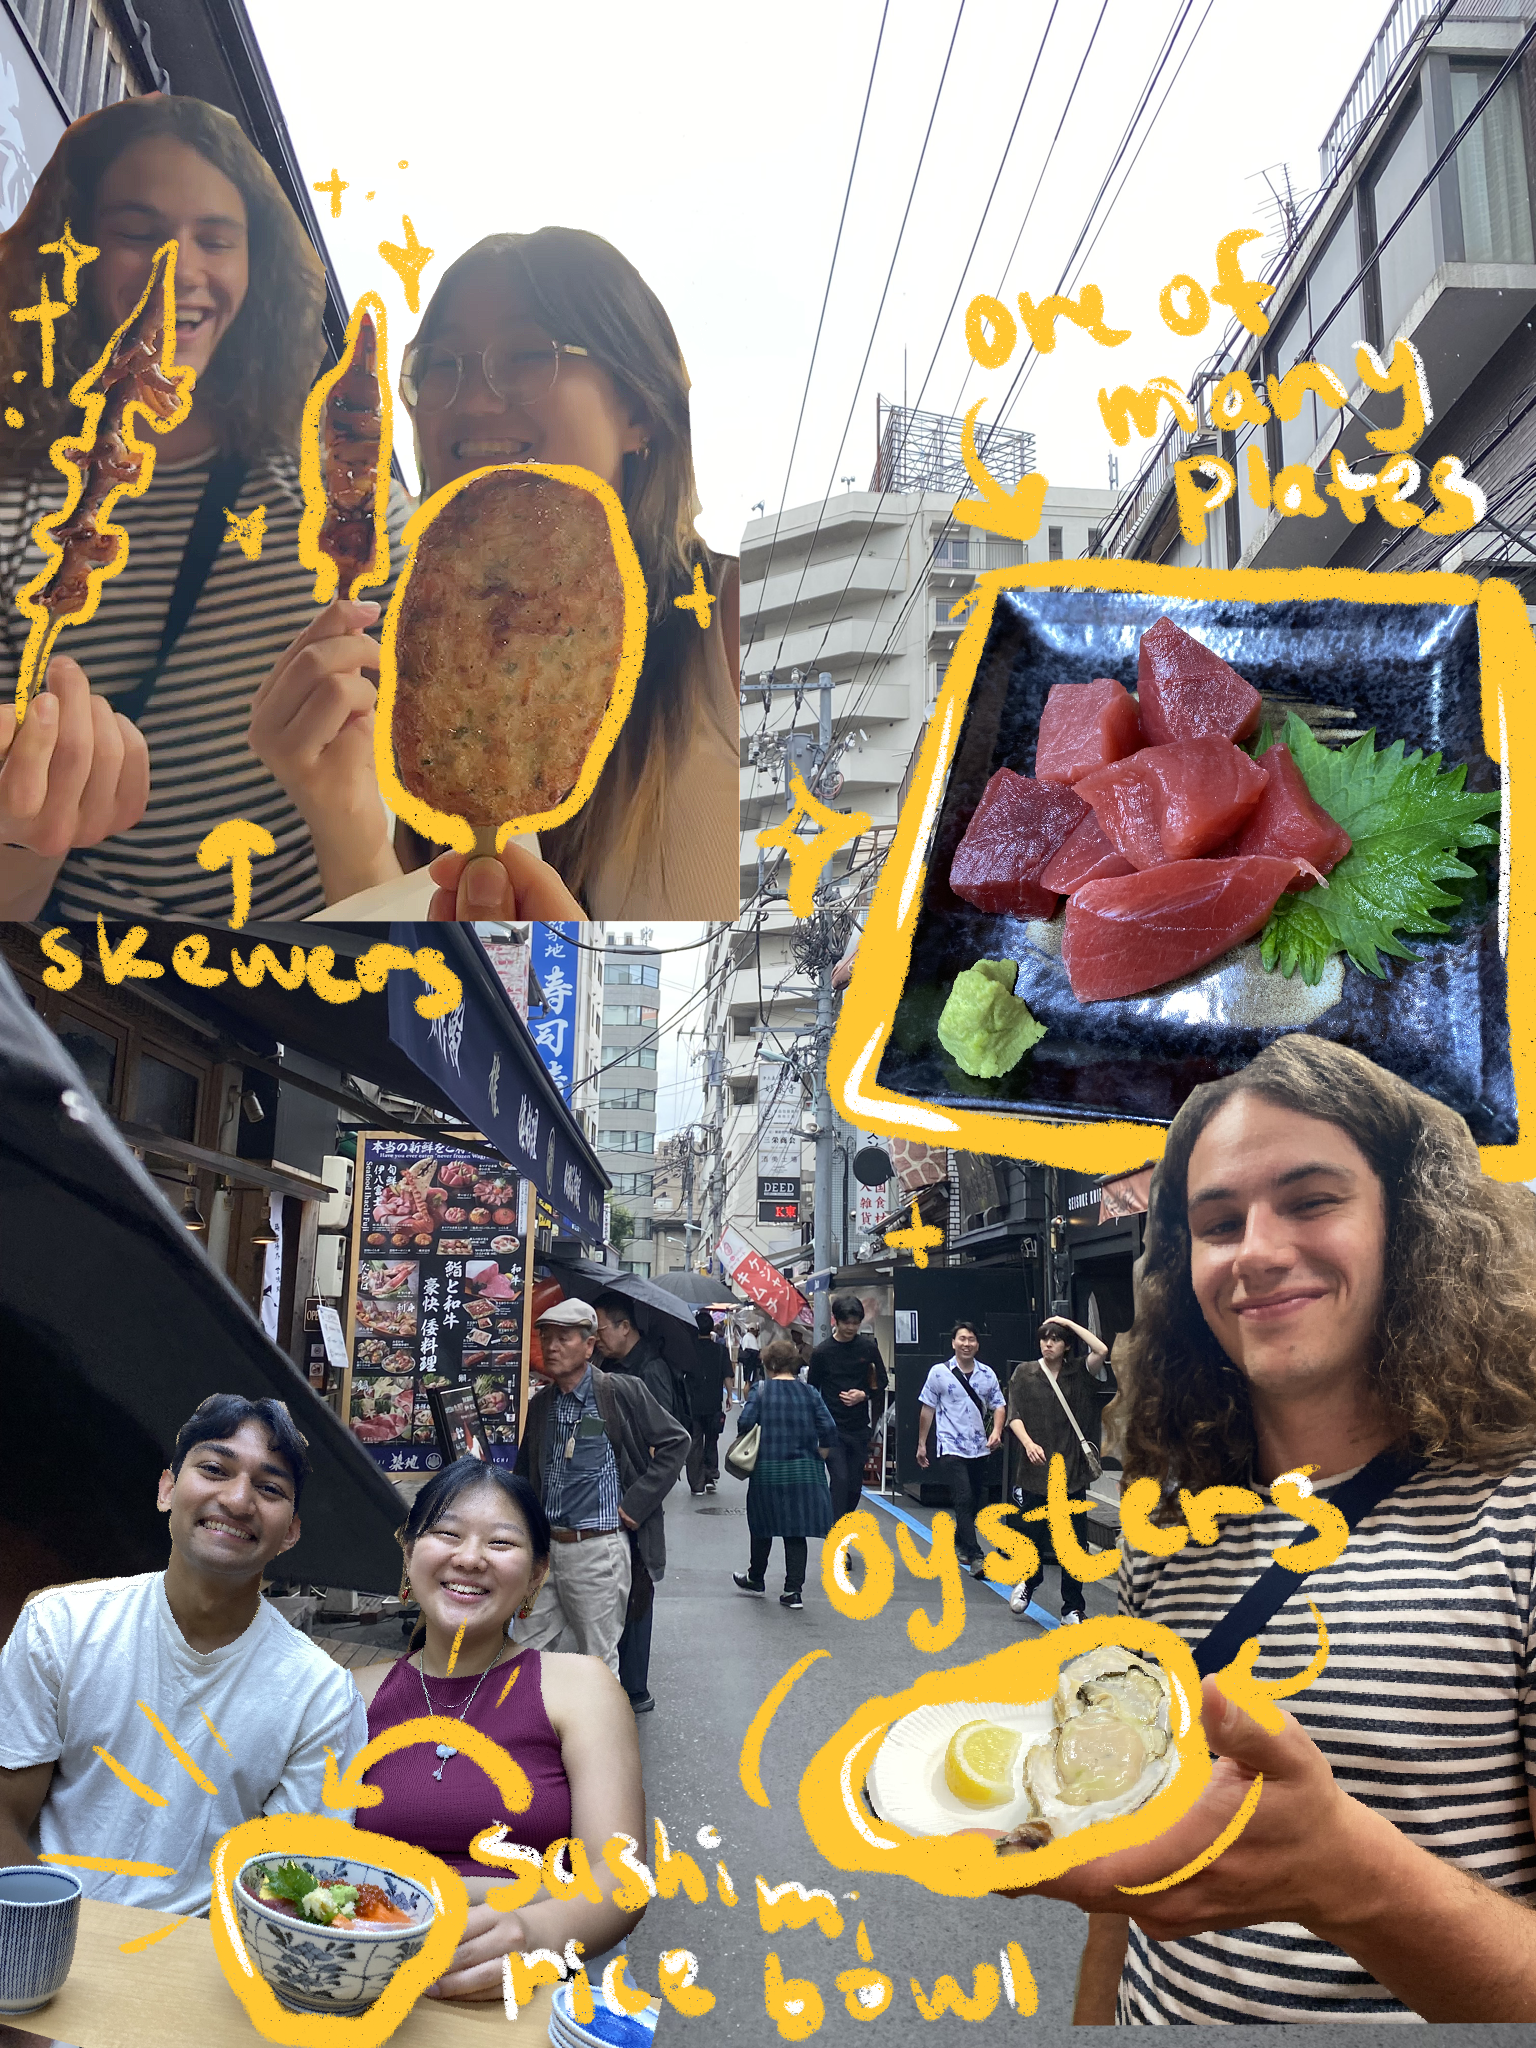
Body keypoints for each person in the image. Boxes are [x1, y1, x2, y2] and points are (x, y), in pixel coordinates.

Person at [1033, 1037, 1536, 2025]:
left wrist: (1346, 1874)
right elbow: (1124, 1889)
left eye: (1311, 1200)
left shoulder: (1516, 1517)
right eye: (1218, 1221)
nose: (1256, 1250)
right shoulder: (1161, 1528)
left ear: (1415, 1223)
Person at [0, 94, 412, 923]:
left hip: (296, 997)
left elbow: (400, 874)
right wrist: (23, 828)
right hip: (77, 992)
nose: (178, 269)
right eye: (136, 231)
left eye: (216, 239)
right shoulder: (18, 511)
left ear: (254, 271)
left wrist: (352, 820)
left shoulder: (340, 512)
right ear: (72, 248)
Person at [253, 225, 739, 922]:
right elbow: (407, 988)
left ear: (639, 409)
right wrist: (346, 817)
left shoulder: (729, 617)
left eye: (526, 355)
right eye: (443, 364)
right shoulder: (395, 672)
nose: (472, 400)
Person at [0, 1395, 366, 1915]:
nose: (238, 1500)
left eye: (269, 1488)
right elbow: (5, 1817)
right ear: (167, 1489)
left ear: (291, 1532)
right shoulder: (62, 1626)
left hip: (206, 1958)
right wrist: (49, 1939)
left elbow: (288, 1880)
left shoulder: (321, 1694)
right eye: (215, 1469)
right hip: (50, 1931)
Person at [348, 1458, 645, 2000]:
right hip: (371, 1987)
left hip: (524, 1994)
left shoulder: (582, 1687)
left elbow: (619, 1874)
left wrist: (539, 1932)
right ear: (409, 1552)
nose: (469, 1558)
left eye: (501, 1543)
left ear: (537, 1575)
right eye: (446, 1533)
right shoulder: (351, 1696)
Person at [514, 1298, 688, 1701]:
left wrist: (634, 1506)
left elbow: (676, 1441)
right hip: (546, 1551)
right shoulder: (542, 1404)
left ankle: (597, 1753)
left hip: (596, 1550)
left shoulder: (619, 1392)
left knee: (596, 1661)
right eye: (546, 1338)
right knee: (524, 1652)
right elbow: (524, 1477)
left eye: (564, 1338)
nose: (552, 1347)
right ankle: (535, 1743)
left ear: (589, 1345)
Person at [1005, 1314, 1114, 1625]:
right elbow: (1015, 1414)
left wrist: (1067, 1322)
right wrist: (1027, 1443)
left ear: (1066, 1345)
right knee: (1030, 1535)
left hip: (1071, 1472)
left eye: (1054, 1338)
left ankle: (1072, 1607)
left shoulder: (1079, 1372)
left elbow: (1102, 1350)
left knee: (1073, 1543)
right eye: (1044, 1338)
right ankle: (1029, 1581)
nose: (1048, 1343)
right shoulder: (1024, 1373)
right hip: (1034, 1469)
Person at [731, 1339, 839, 1608]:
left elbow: (745, 1423)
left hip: (767, 1470)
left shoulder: (762, 1390)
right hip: (804, 1472)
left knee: (762, 1524)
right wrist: (821, 1453)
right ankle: (793, 1591)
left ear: (769, 1364)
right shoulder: (810, 1392)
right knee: (796, 1530)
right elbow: (829, 1428)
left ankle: (756, 1577)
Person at [916, 1322, 1006, 1578]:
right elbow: (927, 1408)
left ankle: (960, 1542)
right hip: (950, 1444)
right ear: (953, 1342)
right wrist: (922, 1444)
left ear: (977, 1344)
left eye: (971, 1340)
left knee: (976, 1498)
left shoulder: (987, 1374)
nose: (966, 1344)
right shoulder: (939, 1373)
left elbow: (999, 1405)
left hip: (979, 1446)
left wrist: (997, 1431)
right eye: (962, 1339)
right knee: (963, 1496)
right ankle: (977, 1555)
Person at [807, 1292, 885, 1520]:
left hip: (860, 1427)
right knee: (839, 1481)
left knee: (854, 1486)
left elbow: (882, 1380)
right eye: (846, 1323)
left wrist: (864, 1394)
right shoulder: (822, 1352)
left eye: (855, 1323)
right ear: (836, 1320)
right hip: (832, 1429)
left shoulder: (868, 1347)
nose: (851, 1328)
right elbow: (813, 1389)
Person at [594, 1293, 686, 1421]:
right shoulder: (607, 1362)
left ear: (625, 1327)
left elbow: (661, 1428)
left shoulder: (651, 1369)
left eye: (600, 1331)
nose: (596, 1338)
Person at [685, 1307, 733, 1496]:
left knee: (695, 1441)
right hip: (714, 1403)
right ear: (711, 1328)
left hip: (693, 1403)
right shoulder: (720, 1351)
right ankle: (711, 1475)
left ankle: (696, 1483)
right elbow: (727, 1375)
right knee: (712, 1439)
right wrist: (729, 1395)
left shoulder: (688, 1350)